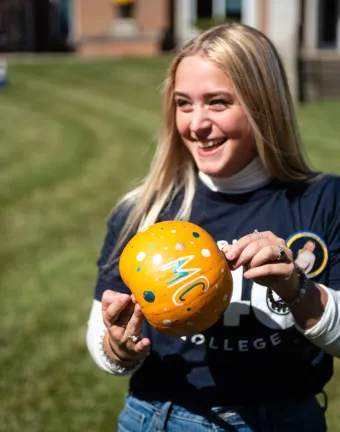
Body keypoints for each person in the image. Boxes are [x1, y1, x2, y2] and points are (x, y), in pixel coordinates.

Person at [86, 23, 340, 431]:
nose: (197, 124)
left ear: (263, 106)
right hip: (163, 416)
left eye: (218, 103)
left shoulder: (323, 201)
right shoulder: (143, 212)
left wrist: (298, 288)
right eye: (184, 104)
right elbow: (103, 339)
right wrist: (118, 349)